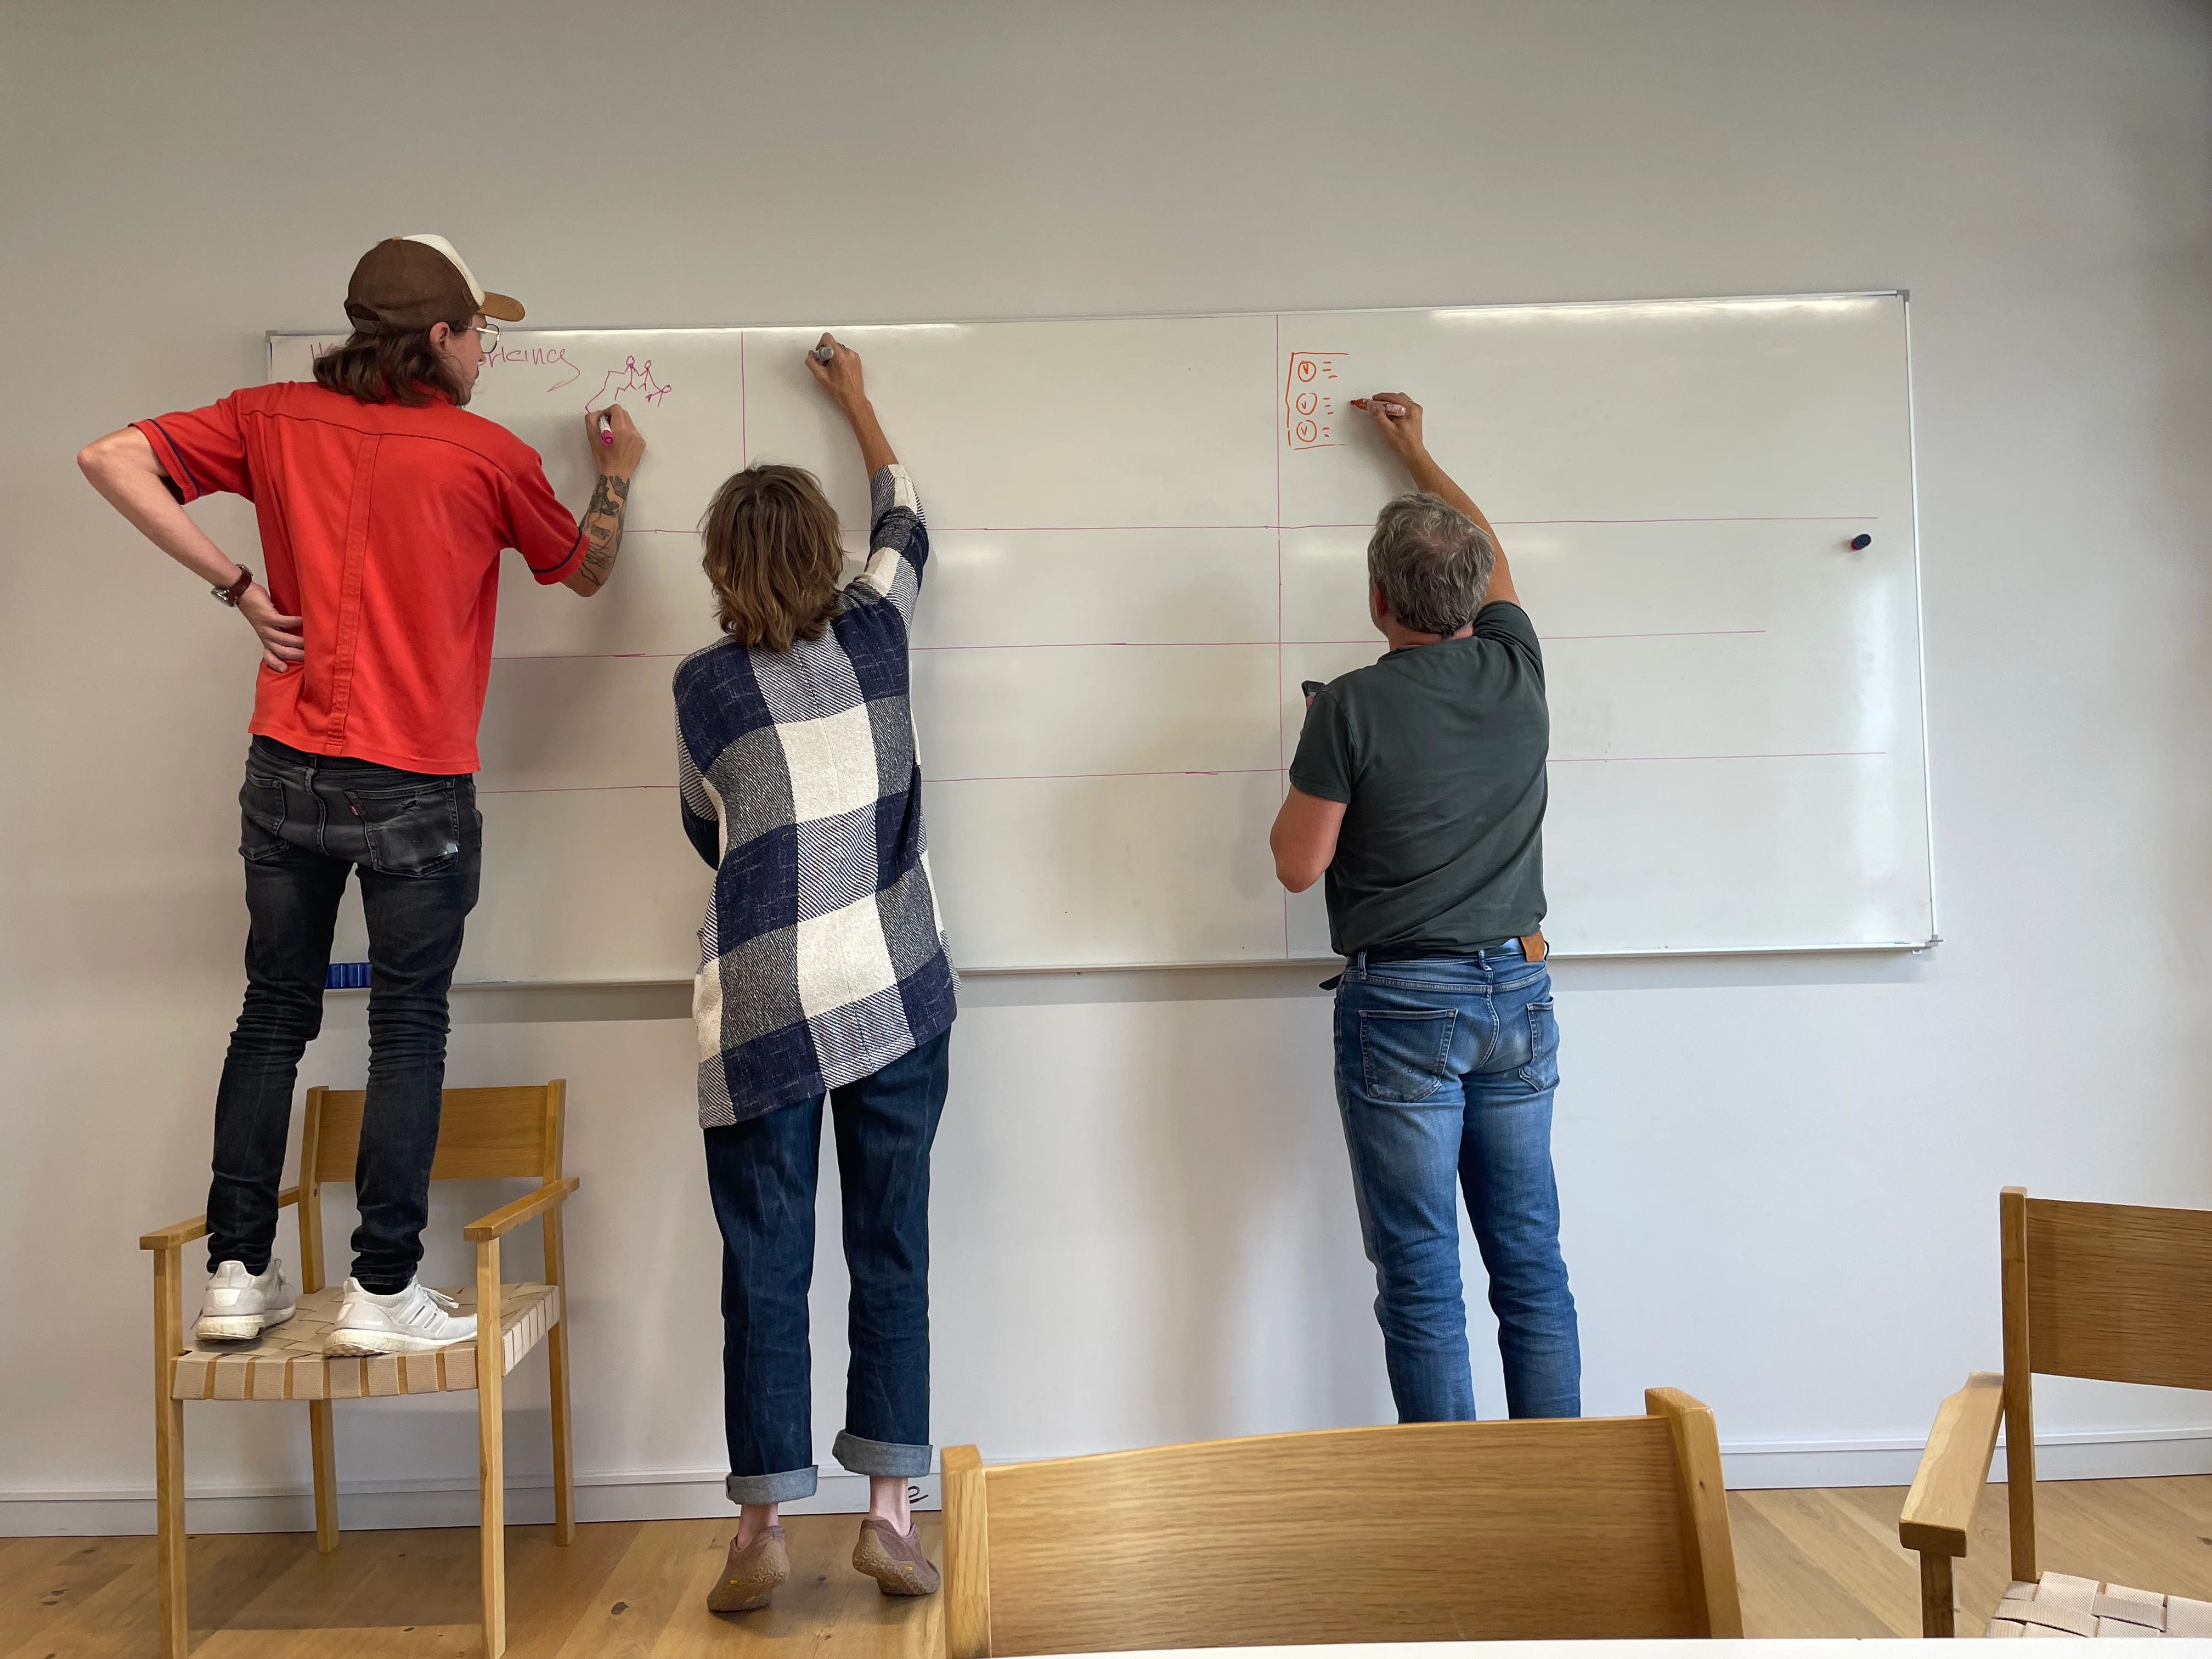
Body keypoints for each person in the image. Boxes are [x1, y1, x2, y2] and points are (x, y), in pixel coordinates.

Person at [77, 235, 646, 1357]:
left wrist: (237, 586)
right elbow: (581, 569)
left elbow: (108, 457)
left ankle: (238, 1274)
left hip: (284, 762)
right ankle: (383, 1292)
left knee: (273, 1010)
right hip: (414, 784)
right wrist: (620, 474)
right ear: (438, 338)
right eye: (482, 330)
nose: (489, 349)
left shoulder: (272, 416)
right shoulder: (485, 455)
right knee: (407, 1027)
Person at [675, 334, 958, 1612]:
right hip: (894, 991)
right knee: (890, 1250)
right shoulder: (882, 634)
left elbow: (704, 831)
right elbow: (908, 514)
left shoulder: (701, 688)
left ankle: (758, 1530)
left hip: (767, 1013)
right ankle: (890, 1514)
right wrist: (857, 402)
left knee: (764, 1265)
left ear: (725, 571)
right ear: (826, 557)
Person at [1271, 391, 1579, 1425]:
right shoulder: (1518, 668)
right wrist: (1418, 457)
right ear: (1480, 594)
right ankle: (1563, 1505)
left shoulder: (1352, 706)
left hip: (1406, 1005)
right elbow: (1489, 550)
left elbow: (1294, 866)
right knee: (1530, 1262)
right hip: (1519, 987)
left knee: (1421, 1274)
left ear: (1374, 601)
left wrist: (1323, 753)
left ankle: (1458, 1513)